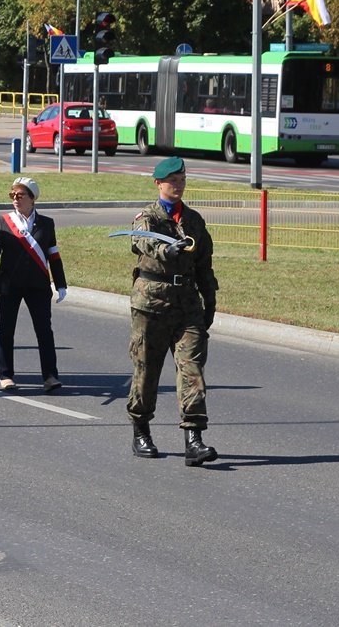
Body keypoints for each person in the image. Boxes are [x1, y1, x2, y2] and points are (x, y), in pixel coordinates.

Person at [127, 157, 219, 466]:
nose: (178, 185)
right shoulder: (148, 217)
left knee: (192, 370)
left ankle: (194, 439)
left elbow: (204, 264)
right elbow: (142, 242)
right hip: (151, 305)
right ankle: (141, 431)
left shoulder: (193, 220)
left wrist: (210, 301)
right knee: (147, 370)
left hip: (187, 305)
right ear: (158, 183)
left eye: (182, 179)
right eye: (172, 181)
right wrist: (165, 249)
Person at [0, 177, 68, 393]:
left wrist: (60, 284)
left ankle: (50, 376)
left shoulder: (46, 223)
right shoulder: (3, 221)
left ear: (32, 198)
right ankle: (6, 375)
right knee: (7, 329)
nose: (15, 199)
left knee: (44, 331)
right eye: (12, 195)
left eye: (20, 195)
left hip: (37, 285)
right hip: (10, 284)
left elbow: (53, 254)